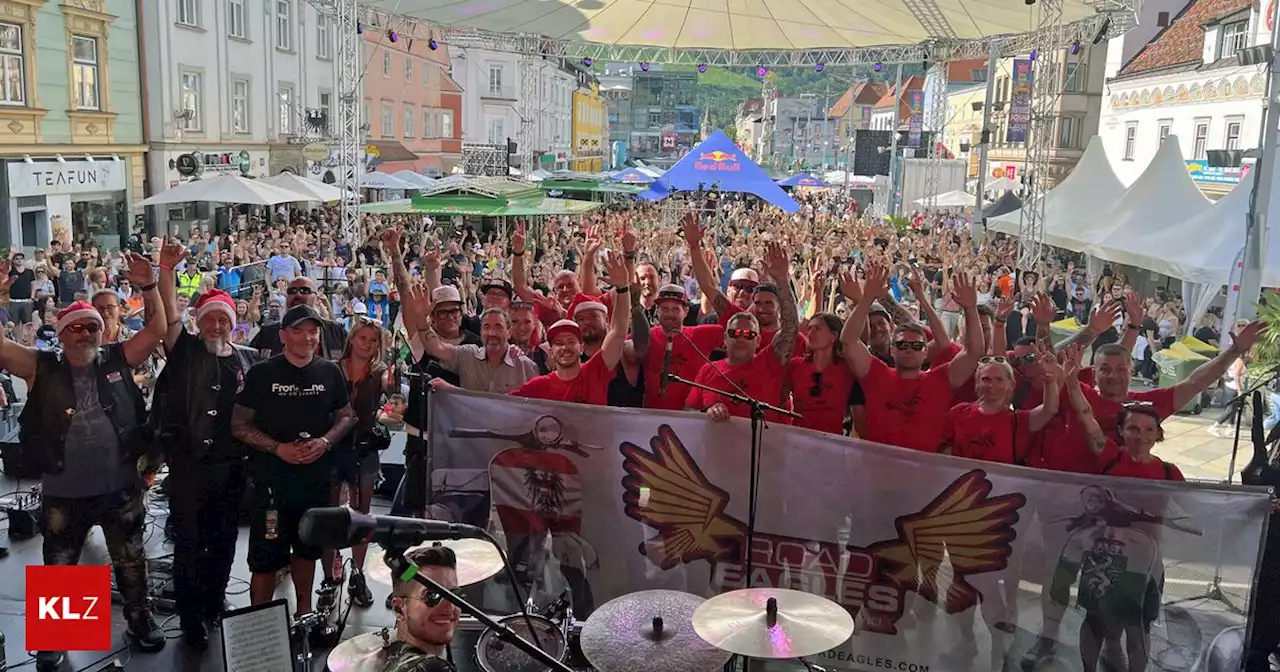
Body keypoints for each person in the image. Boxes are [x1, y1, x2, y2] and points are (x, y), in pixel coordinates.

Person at [4, 252, 168, 669]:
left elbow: (157, 329)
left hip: (120, 488)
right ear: (61, 335)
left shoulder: (116, 358)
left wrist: (150, 286)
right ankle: (57, 639)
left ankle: (140, 621)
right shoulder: (40, 367)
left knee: (131, 563)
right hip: (64, 492)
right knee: (62, 569)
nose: (84, 333)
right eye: (74, 327)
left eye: (91, 326)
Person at [153, 240, 261, 649]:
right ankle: (191, 617)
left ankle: (215, 605)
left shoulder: (248, 359)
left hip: (233, 468)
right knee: (189, 544)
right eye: (210, 319)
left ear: (233, 324)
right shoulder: (186, 352)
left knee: (225, 542)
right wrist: (166, 270)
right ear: (200, 322)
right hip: (190, 467)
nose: (216, 326)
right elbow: (169, 316)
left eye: (223, 320)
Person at [232, 303, 357, 618]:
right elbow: (239, 424)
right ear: (283, 335)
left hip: (313, 483)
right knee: (265, 559)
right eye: (298, 331)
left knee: (306, 551)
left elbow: (346, 416)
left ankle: (304, 613)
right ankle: (257, 624)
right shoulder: (262, 373)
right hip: (271, 485)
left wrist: (326, 442)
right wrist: (278, 448)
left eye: (312, 331)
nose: (307, 338)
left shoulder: (329, 371)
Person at [319, 317, 393, 611]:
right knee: (330, 513)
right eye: (362, 338)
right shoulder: (332, 369)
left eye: (373, 340)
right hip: (334, 449)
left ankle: (358, 575)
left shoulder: (379, 373)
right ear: (352, 339)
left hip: (364, 451)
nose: (367, 344)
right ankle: (327, 576)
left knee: (363, 515)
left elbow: (393, 393)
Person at [685, 242, 798, 423]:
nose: (741, 338)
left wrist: (783, 281)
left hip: (765, 448)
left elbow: (791, 328)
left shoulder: (769, 362)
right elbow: (688, 411)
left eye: (749, 335)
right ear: (725, 338)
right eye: (735, 334)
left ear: (759, 340)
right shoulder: (708, 370)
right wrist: (706, 414)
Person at [508, 251, 632, 405]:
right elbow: (503, 406)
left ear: (581, 347)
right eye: (558, 343)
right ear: (550, 351)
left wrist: (622, 288)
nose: (565, 347)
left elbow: (619, 330)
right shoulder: (538, 386)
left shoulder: (595, 371)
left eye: (571, 341)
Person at [382, 545, 462, 672]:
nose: (449, 606)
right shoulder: (433, 669)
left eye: (455, 595)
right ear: (399, 608)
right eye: (432, 595)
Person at [249, 276, 348, 360]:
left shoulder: (335, 331)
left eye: (305, 291)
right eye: (292, 291)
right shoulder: (268, 333)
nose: (298, 295)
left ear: (316, 297)